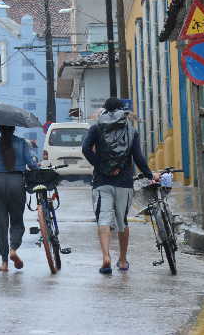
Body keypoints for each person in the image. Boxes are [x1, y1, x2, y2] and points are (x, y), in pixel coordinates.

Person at [82, 97, 160, 274]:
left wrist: (101, 167)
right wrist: (150, 175)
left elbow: (85, 149)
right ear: (121, 111)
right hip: (124, 182)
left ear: (105, 110)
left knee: (103, 219)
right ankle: (123, 260)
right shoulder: (131, 130)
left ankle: (106, 257)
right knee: (121, 221)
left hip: (102, 182)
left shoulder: (96, 128)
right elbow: (138, 158)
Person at [0, 124, 36, 272]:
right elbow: (31, 164)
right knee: (17, 221)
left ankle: (4, 262)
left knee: (1, 224)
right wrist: (36, 164)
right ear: (14, 129)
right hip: (16, 183)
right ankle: (13, 249)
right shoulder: (22, 143)